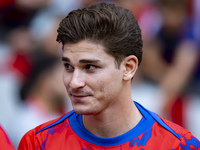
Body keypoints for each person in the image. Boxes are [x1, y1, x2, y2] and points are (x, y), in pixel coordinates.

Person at [18, 2, 200, 149]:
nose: (74, 82)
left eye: (90, 67)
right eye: (68, 66)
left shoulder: (177, 146)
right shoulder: (38, 143)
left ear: (128, 68)